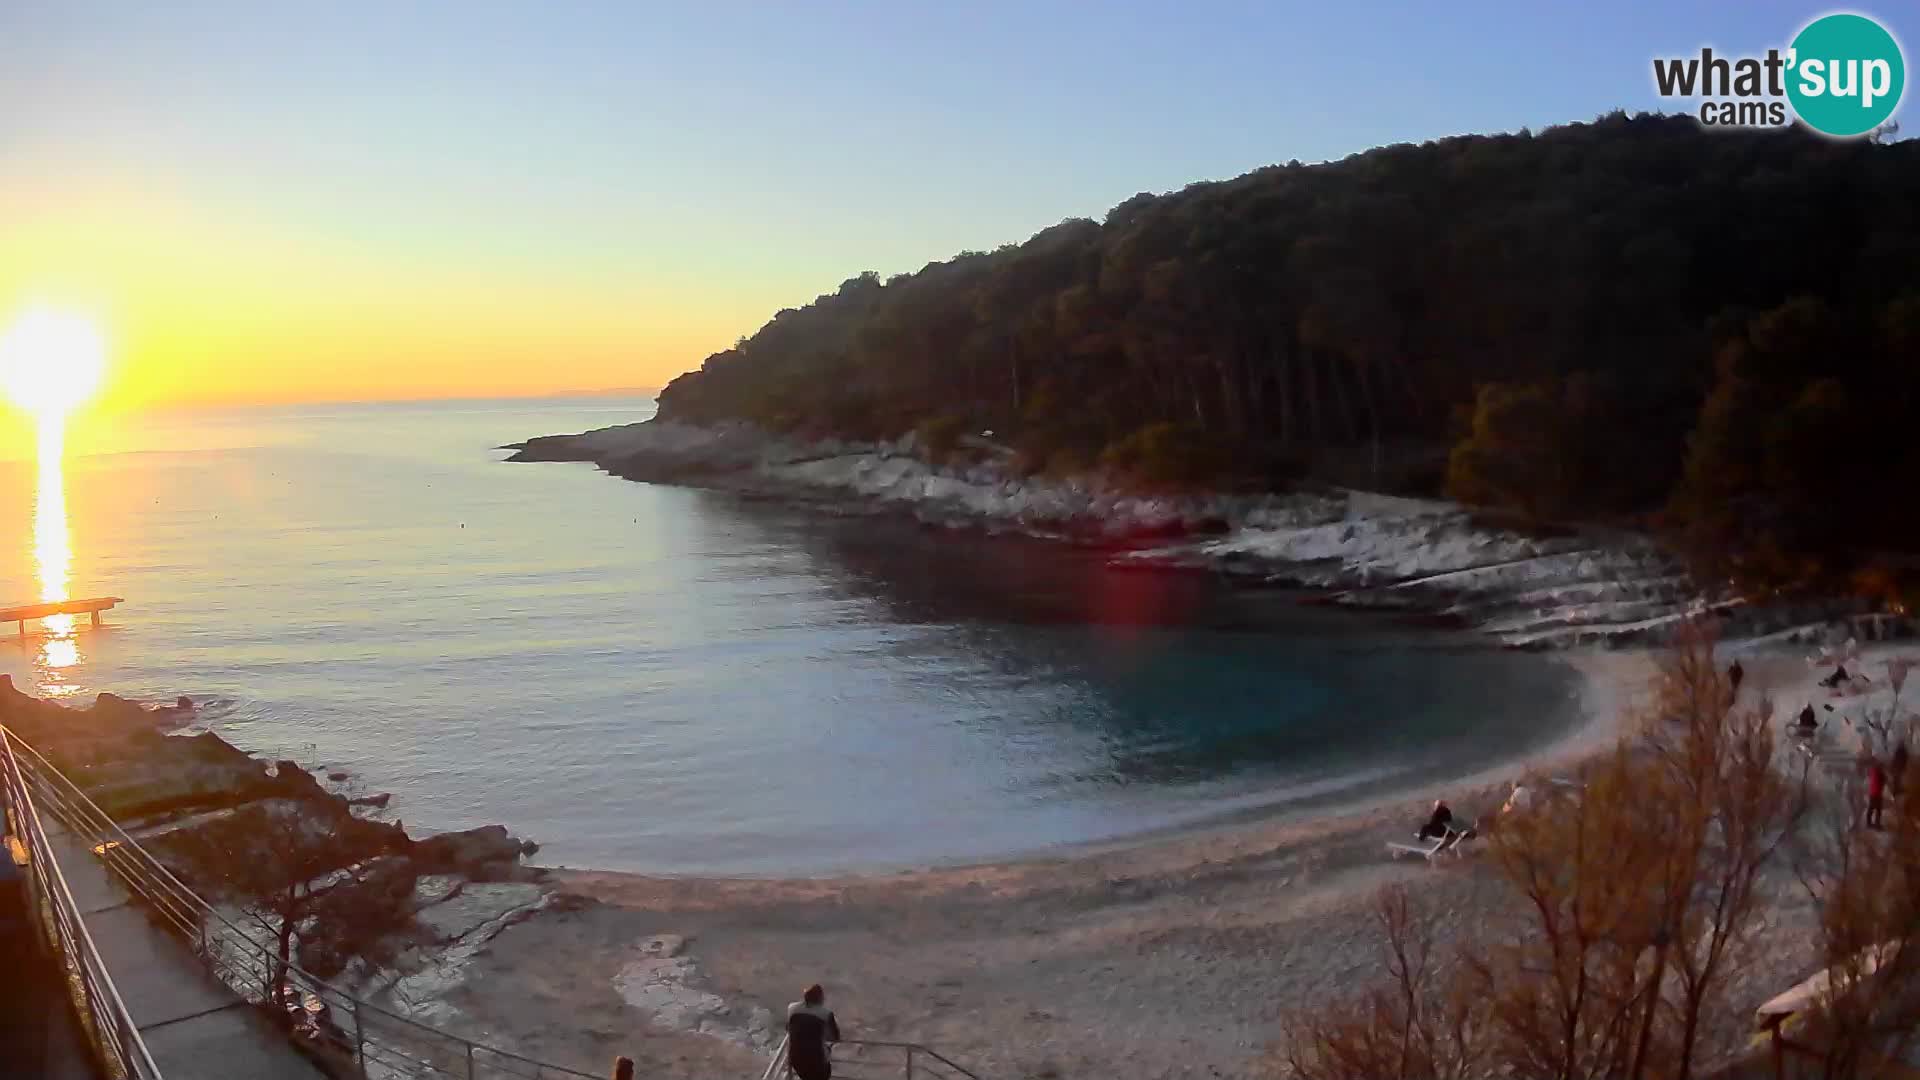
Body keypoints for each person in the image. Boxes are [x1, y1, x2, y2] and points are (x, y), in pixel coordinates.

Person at [786, 984, 841, 1080]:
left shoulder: (792, 1008)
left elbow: (789, 1027)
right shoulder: (826, 1014)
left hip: (796, 1059)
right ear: (820, 998)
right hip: (817, 1062)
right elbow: (835, 1037)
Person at [1868, 760, 1888, 829]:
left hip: (1872, 793)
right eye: (1883, 767)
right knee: (1878, 810)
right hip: (1877, 793)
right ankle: (1877, 825)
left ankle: (1869, 823)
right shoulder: (1880, 773)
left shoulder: (1872, 771)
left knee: (1871, 808)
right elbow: (1885, 780)